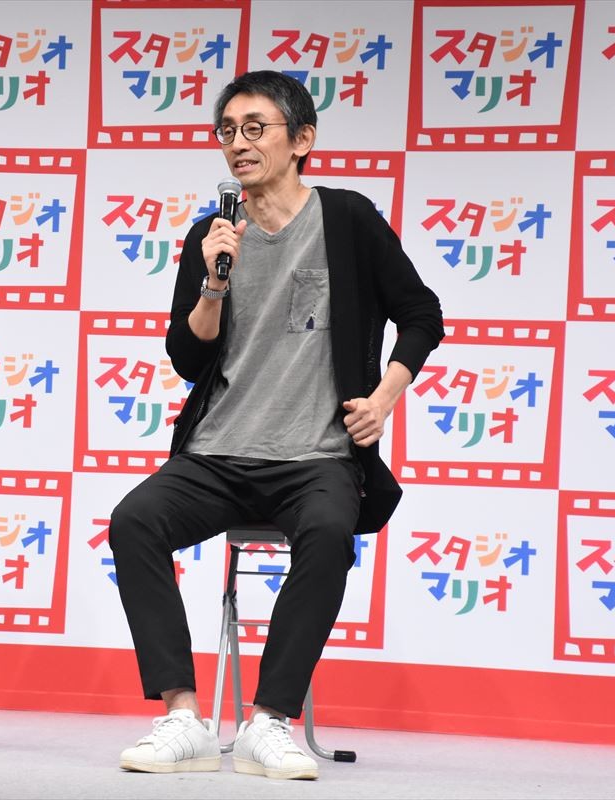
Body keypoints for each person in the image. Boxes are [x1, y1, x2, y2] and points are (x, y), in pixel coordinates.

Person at [109, 70, 444, 780]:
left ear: (302, 140)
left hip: (318, 457)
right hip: (217, 453)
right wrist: (214, 283)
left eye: (255, 128)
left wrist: (384, 397)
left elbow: (422, 314)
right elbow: (187, 357)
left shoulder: (346, 219)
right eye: (227, 131)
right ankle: (183, 717)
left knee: (328, 531)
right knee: (134, 520)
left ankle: (269, 721)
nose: (239, 143)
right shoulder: (211, 235)